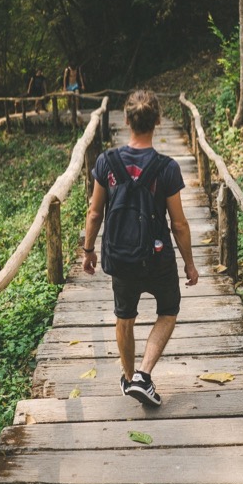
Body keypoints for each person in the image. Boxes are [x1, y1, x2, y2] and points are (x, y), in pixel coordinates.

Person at [81, 90, 199, 406]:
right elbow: (179, 224)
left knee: (124, 315)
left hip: (119, 256)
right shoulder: (166, 168)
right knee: (169, 310)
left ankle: (130, 376)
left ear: (127, 119)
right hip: (157, 256)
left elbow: (94, 212)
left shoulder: (106, 162)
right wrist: (189, 263)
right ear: (157, 121)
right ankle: (142, 377)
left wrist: (89, 249)